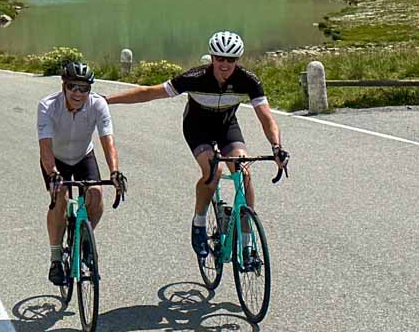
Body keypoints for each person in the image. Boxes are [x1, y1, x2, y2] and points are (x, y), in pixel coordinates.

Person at [106, 31, 289, 265]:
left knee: (244, 172)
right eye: (219, 58)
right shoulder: (195, 77)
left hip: (226, 127)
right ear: (212, 58)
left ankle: (247, 244)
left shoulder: (248, 80)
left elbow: (266, 118)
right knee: (213, 172)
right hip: (197, 127)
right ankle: (199, 222)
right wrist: (108, 100)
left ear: (238, 61)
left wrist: (276, 147)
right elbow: (149, 92)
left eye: (230, 60)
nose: (224, 65)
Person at [37, 61, 126, 286]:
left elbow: (108, 142)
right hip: (55, 160)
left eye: (84, 88)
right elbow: (45, 147)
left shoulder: (98, 105)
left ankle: (83, 238)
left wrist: (114, 171)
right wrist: (53, 173)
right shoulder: (47, 106)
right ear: (64, 86)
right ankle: (56, 258)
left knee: (95, 195)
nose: (78, 93)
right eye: (73, 87)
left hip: (83, 156)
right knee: (60, 199)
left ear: (90, 90)